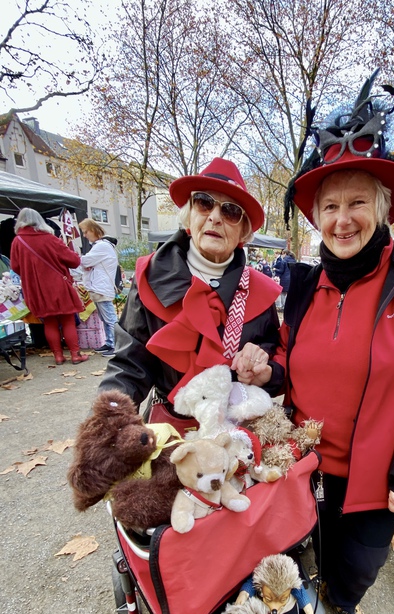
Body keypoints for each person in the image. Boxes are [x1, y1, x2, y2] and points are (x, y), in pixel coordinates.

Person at [234, 75, 394, 614]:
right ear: (315, 217)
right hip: (303, 458)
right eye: (330, 206)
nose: (342, 218)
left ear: (381, 208)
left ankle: (346, 602)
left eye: (357, 202)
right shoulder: (305, 284)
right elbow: (292, 358)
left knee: (358, 559)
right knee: (302, 541)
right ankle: (306, 595)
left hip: (377, 472)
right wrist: (269, 374)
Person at [99, 158, 282, 424]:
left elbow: (274, 359)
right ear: (190, 214)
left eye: (230, 211)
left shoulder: (260, 291)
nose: (215, 217)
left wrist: (264, 368)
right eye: (204, 203)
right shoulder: (149, 278)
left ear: (243, 229)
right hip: (169, 428)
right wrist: (108, 420)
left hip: (236, 433)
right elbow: (129, 364)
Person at [9, 208, 88, 365]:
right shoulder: (50, 238)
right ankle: (75, 355)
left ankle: (58, 356)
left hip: (36, 288)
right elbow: (74, 260)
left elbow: (15, 267)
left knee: (49, 321)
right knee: (67, 320)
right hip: (58, 284)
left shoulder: (17, 241)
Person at [78, 219, 119, 357]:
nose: (84, 235)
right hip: (100, 286)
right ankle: (110, 342)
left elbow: (84, 261)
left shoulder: (101, 246)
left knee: (109, 317)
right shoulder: (104, 245)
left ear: (93, 230)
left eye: (85, 232)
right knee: (105, 317)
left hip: (101, 287)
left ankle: (116, 345)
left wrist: (85, 264)